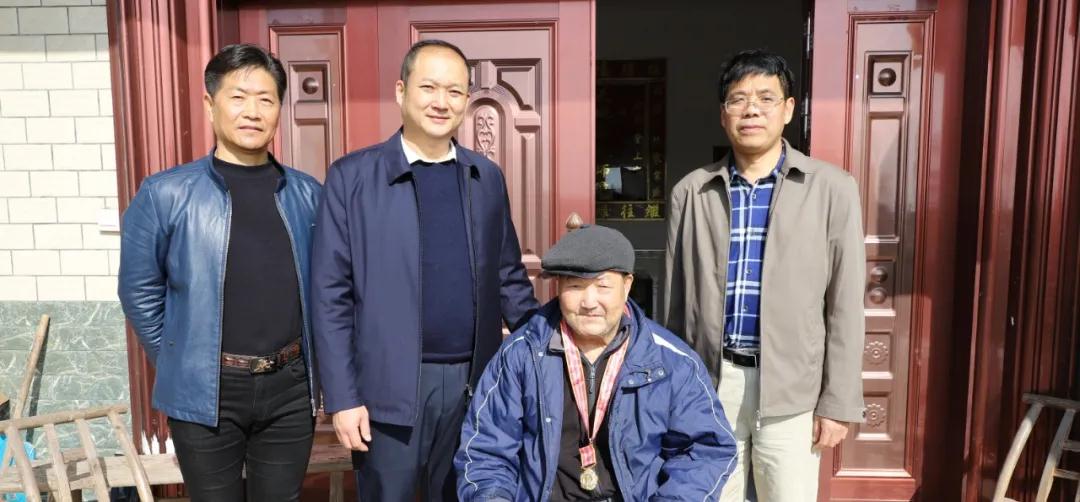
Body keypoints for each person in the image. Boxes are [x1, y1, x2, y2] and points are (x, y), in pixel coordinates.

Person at [311, 39, 539, 501]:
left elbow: (509, 279)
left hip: (473, 385)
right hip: (388, 389)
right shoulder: (352, 177)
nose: (442, 102)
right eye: (429, 87)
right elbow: (330, 294)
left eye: (455, 91)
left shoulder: (485, 177)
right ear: (401, 91)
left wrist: (554, 347)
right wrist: (343, 397)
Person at [118, 44, 322, 501]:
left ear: (279, 109)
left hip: (290, 388)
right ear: (210, 105)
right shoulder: (165, 194)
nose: (253, 111)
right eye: (238, 97)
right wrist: (183, 357)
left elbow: (327, 289)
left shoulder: (308, 195)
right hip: (206, 389)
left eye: (266, 99)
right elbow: (139, 291)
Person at [663, 49, 867, 502]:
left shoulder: (831, 188)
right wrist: (673, 389)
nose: (751, 109)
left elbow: (846, 304)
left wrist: (837, 402)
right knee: (712, 494)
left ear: (788, 109)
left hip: (793, 388)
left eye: (765, 98)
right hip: (712, 385)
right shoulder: (691, 192)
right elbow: (676, 304)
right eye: (738, 99)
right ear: (723, 114)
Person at [457, 224, 737, 501]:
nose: (589, 302)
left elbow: (706, 450)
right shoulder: (521, 354)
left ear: (627, 285)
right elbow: (486, 452)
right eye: (575, 286)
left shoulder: (672, 361)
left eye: (603, 286)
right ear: (558, 286)